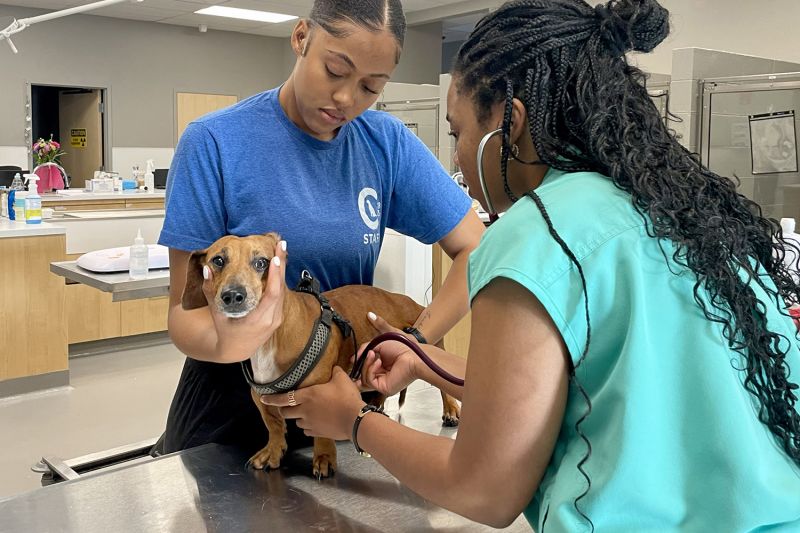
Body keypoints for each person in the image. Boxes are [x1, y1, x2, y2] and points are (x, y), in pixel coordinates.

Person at [262, 1, 800, 531]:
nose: (455, 159)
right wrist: (430, 363)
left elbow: (484, 489)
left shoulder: (534, 234)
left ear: (509, 125)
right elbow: (586, 392)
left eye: (457, 133)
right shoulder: (690, 212)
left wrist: (354, 422)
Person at [157, 0, 484, 455]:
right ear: (301, 38)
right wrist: (244, 341)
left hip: (343, 400)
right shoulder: (215, 142)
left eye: (371, 87)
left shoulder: (385, 144)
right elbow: (183, 314)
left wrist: (414, 342)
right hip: (233, 405)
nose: (347, 99)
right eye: (334, 70)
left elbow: (477, 249)